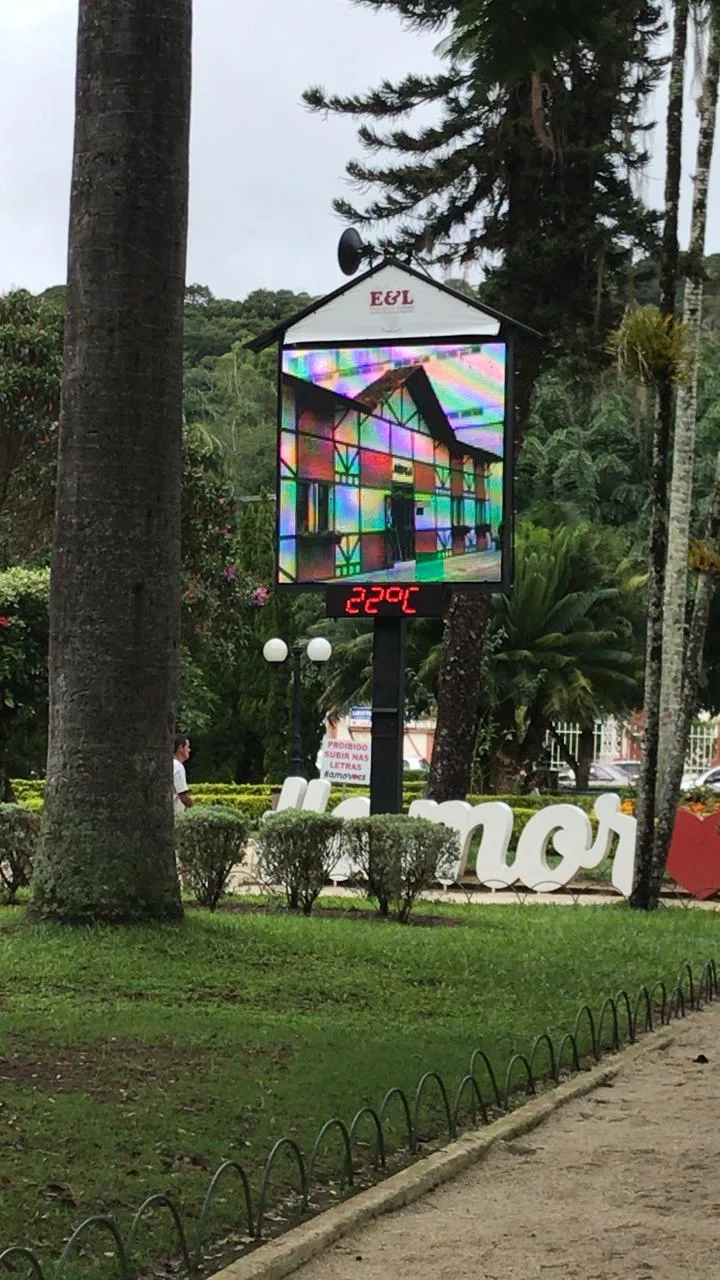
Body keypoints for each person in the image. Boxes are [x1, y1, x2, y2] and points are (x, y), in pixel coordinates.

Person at [173, 734, 194, 815]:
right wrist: (193, 804)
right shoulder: (178, 766)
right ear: (181, 748)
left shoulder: (168, 764)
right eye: (187, 747)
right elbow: (184, 798)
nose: (189, 750)